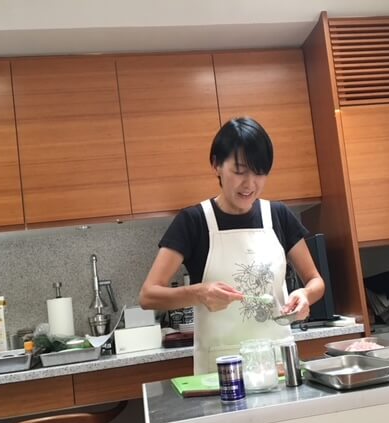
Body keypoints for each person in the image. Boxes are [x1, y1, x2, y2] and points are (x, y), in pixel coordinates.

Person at [139, 117, 325, 374]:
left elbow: (315, 280)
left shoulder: (279, 215)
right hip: (221, 372)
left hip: (279, 365)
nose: (250, 184)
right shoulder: (194, 221)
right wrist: (199, 293)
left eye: (259, 172)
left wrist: (305, 296)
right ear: (216, 165)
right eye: (239, 171)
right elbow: (148, 295)